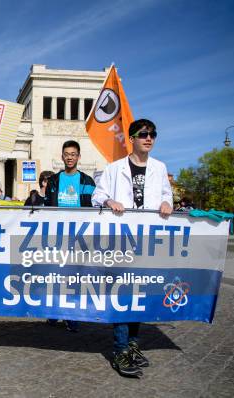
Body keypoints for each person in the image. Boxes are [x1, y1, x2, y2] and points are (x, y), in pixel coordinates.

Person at [92, 118, 173, 378]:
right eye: (143, 134)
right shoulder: (115, 168)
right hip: (121, 240)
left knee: (139, 294)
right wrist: (109, 199)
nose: (149, 138)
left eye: (153, 134)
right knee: (123, 294)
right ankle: (120, 349)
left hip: (147, 241)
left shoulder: (159, 168)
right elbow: (96, 197)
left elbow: (166, 194)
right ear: (132, 139)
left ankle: (133, 345)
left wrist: (166, 203)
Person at [44, 140, 96, 332]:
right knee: (56, 275)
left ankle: (71, 314)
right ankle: (55, 312)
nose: (70, 157)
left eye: (73, 154)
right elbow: (48, 206)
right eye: (66, 154)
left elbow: (92, 208)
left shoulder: (88, 181)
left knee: (75, 277)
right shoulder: (54, 180)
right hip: (58, 235)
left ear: (78, 157)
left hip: (79, 237)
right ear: (62, 157)